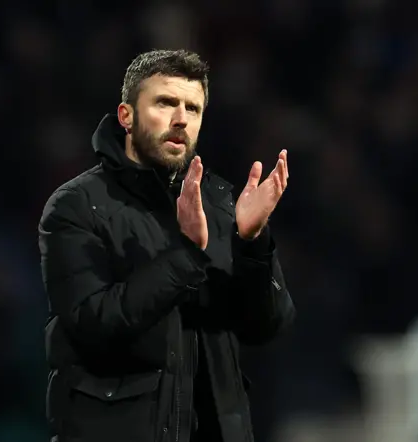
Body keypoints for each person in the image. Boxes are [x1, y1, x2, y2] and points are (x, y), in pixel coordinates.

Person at [38, 49, 295, 442]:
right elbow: (95, 324)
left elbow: (267, 326)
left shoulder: (221, 203)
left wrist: (252, 243)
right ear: (126, 116)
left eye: (192, 109)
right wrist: (187, 253)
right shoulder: (76, 206)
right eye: (165, 102)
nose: (181, 119)